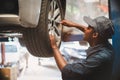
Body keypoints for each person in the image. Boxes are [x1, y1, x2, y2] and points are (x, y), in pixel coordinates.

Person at [49, 16, 114, 80]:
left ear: (95, 35)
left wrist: (54, 46)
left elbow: (67, 71)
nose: (85, 29)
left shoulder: (98, 59)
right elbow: (92, 32)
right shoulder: (105, 45)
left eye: (88, 28)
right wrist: (74, 25)